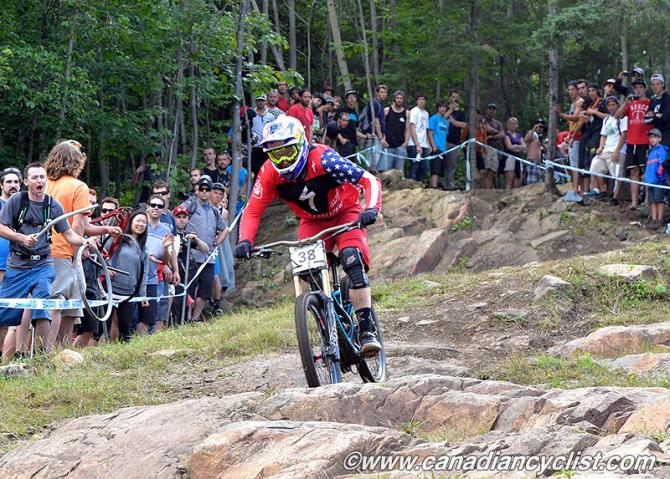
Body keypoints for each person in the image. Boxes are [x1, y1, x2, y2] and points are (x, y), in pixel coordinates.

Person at [235, 116, 383, 354]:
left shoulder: (324, 158)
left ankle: (366, 329)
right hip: (312, 222)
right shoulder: (269, 173)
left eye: (288, 152)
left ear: (301, 143)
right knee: (308, 274)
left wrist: (371, 208)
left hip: (346, 213)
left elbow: (368, 179)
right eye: (276, 155)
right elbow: (253, 209)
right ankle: (328, 326)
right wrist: (245, 241)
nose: (283, 160)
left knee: (352, 260)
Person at [0, 163, 90, 358]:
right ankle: (5, 359)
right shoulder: (16, 201)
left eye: (42, 177)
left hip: (43, 265)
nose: (40, 181)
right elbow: (1, 227)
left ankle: (42, 358)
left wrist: (84, 242)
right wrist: (21, 238)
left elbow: (67, 233)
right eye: (35, 178)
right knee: (5, 313)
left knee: (43, 309)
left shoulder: (53, 205)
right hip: (17, 265)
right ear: (26, 182)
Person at [44, 140, 121, 349]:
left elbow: (84, 226)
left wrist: (105, 229)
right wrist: (79, 254)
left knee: (68, 306)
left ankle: (56, 353)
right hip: (65, 253)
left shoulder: (45, 183)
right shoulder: (79, 187)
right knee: (64, 306)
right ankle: (52, 353)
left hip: (43, 252)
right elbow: (78, 225)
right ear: (76, 161)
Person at [181, 177, 229, 322]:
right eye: (201, 189)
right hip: (191, 255)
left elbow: (225, 229)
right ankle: (186, 318)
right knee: (189, 289)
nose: (204, 192)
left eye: (207, 189)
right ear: (196, 191)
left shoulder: (214, 211)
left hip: (208, 257)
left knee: (206, 289)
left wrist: (217, 242)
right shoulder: (189, 205)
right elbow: (177, 217)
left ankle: (195, 318)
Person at [108, 209, 150, 342]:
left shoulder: (144, 249)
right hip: (109, 290)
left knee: (125, 328)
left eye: (144, 222)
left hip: (128, 293)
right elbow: (103, 255)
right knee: (103, 327)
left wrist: (143, 295)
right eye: (138, 220)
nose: (141, 224)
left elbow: (144, 274)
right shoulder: (118, 241)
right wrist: (106, 270)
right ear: (131, 221)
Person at [615, 78, 651, 210]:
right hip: (631, 141)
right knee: (633, 172)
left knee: (646, 171)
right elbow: (617, 115)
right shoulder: (631, 103)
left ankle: (647, 200)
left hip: (645, 141)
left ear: (645, 89)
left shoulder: (649, 102)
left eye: (641, 87)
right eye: (636, 88)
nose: (638, 90)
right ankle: (634, 202)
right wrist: (625, 103)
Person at [146, 193, 178, 331]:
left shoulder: (166, 229)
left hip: (156, 275)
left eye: (160, 206)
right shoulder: (140, 224)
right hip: (138, 275)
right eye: (153, 205)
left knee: (155, 311)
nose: (156, 208)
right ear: (148, 207)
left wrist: (175, 270)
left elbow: (170, 254)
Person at [590, 96, 628, 198]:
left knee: (616, 174)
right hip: (606, 149)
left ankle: (615, 197)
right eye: (609, 105)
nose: (611, 107)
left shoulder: (623, 118)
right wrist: (600, 147)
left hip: (618, 150)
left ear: (618, 105)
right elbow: (604, 135)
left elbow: (624, 135)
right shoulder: (606, 119)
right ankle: (603, 190)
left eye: (613, 105)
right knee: (595, 167)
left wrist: (617, 151)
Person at [555, 81, 585, 200]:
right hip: (573, 135)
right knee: (573, 163)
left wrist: (561, 114)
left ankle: (576, 190)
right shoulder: (573, 104)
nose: (571, 92)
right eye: (569, 90)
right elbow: (572, 122)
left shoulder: (580, 102)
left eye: (573, 89)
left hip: (578, 136)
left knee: (575, 164)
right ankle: (575, 188)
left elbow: (576, 117)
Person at [0, 168, 22, 283]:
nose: (13, 185)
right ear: (1, 185)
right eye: (8, 182)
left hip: (21, 264)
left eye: (16, 182)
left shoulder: (26, 206)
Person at [644, 129, 667, 229]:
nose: (652, 139)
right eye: (650, 137)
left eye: (654, 137)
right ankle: (653, 219)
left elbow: (662, 164)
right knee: (652, 201)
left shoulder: (662, 150)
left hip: (658, 180)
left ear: (660, 139)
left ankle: (660, 219)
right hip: (650, 181)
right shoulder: (650, 151)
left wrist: (660, 174)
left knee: (659, 200)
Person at [445, 90, 468, 190]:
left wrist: (453, 122)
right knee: (441, 164)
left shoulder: (461, 113)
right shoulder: (444, 109)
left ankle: (450, 184)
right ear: (450, 98)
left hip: (455, 142)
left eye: (457, 97)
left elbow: (464, 125)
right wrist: (450, 110)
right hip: (443, 141)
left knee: (452, 165)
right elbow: (442, 118)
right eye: (453, 97)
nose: (455, 99)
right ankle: (440, 183)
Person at [383, 90, 410, 173]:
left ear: (403, 99)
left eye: (401, 98)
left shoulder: (407, 113)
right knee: (387, 171)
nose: (399, 100)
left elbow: (407, 128)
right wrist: (383, 139)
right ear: (394, 99)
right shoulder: (387, 110)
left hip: (400, 145)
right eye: (397, 98)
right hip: (388, 145)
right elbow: (382, 126)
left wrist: (406, 142)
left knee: (399, 171)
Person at [251, 94, 277, 175]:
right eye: (258, 100)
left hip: (267, 147)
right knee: (254, 170)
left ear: (265, 102)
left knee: (266, 170)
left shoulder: (271, 116)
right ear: (255, 102)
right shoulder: (251, 115)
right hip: (254, 147)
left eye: (262, 100)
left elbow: (274, 131)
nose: (260, 102)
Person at [407, 92, 430, 182]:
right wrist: (417, 145)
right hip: (413, 143)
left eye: (423, 99)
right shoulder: (414, 111)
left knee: (425, 167)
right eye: (419, 99)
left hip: (424, 144)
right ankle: (411, 184)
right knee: (415, 165)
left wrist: (428, 144)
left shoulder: (426, 114)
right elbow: (412, 128)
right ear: (416, 101)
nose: (421, 101)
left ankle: (418, 183)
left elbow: (425, 130)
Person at [427, 101, 450, 189]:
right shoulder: (434, 119)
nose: (443, 109)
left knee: (441, 170)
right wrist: (434, 147)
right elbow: (430, 133)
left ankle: (436, 186)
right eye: (441, 107)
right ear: (438, 108)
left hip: (444, 149)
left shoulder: (446, 122)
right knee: (435, 169)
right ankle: (433, 187)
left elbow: (445, 136)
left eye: (444, 107)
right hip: (436, 147)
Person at [503, 117, 527, 189]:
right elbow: (509, 147)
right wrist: (520, 147)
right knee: (510, 180)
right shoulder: (506, 135)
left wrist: (516, 146)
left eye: (515, 123)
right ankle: (506, 196)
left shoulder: (518, 135)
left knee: (518, 180)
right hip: (509, 158)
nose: (513, 125)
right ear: (508, 124)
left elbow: (525, 146)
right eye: (511, 123)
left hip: (518, 158)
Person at [647, 74, 670, 147]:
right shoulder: (653, 101)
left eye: (658, 84)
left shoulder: (667, 99)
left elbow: (665, 118)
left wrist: (653, 115)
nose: (655, 86)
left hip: (667, 135)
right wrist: (657, 115)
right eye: (653, 85)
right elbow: (646, 119)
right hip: (655, 136)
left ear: (662, 85)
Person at [524, 119, 546, 185]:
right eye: (539, 126)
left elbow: (546, 150)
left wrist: (541, 143)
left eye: (542, 127)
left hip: (539, 162)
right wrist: (534, 128)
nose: (540, 128)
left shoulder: (540, 137)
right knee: (531, 183)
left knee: (539, 183)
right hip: (531, 161)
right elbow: (526, 139)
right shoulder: (531, 133)